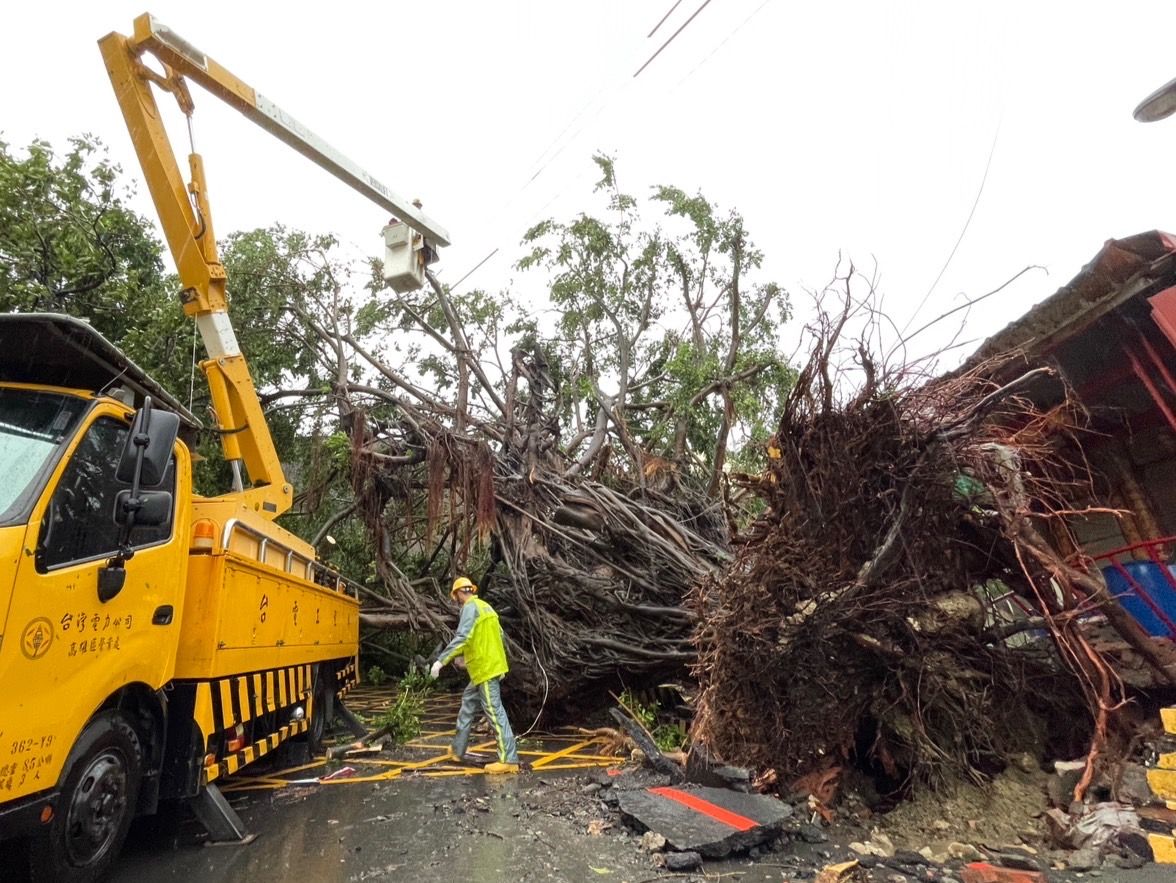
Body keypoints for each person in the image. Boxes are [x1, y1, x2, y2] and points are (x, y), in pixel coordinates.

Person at [429, 576, 520, 773]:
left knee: (495, 712)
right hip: (487, 667)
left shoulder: (470, 608)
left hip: (485, 670)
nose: (456, 601)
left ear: (459, 594)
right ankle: (457, 749)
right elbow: (498, 637)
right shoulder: (486, 607)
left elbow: (463, 636)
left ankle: (509, 760)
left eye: (456, 597)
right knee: (468, 703)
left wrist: (440, 661)